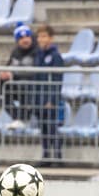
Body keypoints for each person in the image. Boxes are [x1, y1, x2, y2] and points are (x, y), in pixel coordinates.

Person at [33, 24, 64, 165]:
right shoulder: (38, 55)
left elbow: (58, 79)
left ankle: (57, 157)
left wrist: (52, 99)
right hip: (40, 97)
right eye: (39, 36)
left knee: (53, 128)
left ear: (51, 38)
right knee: (44, 128)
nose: (41, 39)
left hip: (50, 98)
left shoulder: (55, 56)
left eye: (44, 36)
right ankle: (46, 156)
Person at [0, 23, 37, 127]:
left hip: (31, 85)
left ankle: (23, 118)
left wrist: (12, 74)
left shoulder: (37, 51)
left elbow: (33, 70)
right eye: (21, 38)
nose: (25, 40)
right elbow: (8, 66)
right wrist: (4, 73)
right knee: (1, 87)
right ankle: (17, 118)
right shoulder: (15, 52)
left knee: (25, 86)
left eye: (27, 36)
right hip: (17, 84)